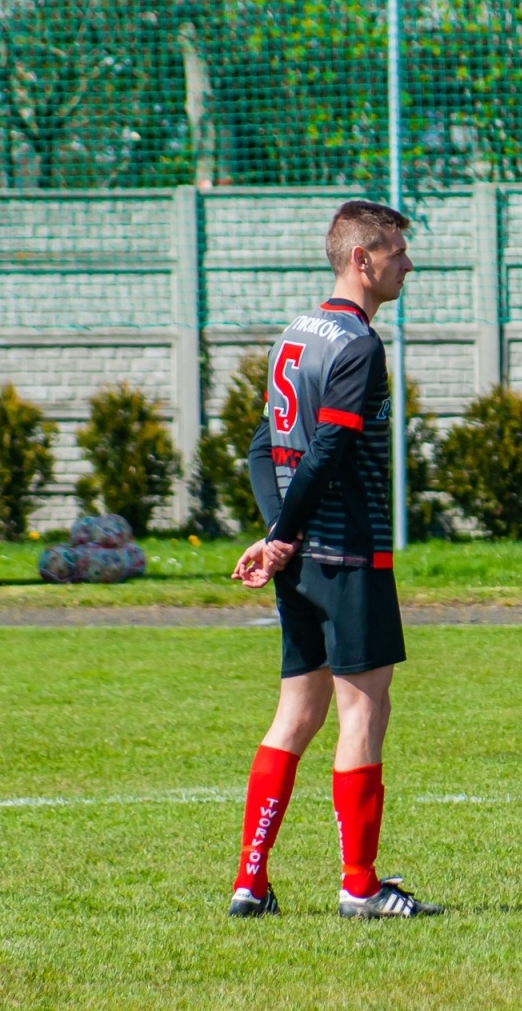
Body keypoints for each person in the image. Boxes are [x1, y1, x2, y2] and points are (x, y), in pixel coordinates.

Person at [225, 200, 440, 919]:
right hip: (348, 553)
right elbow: (327, 454)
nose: (407, 265)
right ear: (363, 259)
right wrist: (283, 531)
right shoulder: (357, 344)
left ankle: (250, 882)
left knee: (296, 713)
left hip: (298, 558)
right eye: (398, 254)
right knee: (362, 711)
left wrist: (275, 534)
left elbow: (265, 448)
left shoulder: (296, 333)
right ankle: (359, 885)